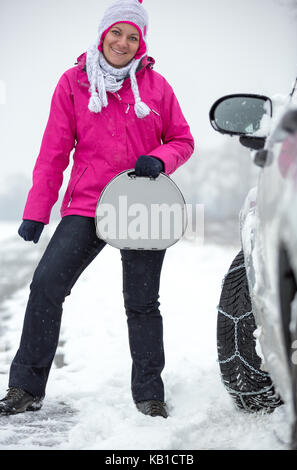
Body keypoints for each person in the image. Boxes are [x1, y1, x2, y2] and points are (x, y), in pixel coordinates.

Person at [0, 0, 194, 418]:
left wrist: (159, 159)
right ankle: (25, 389)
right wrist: (38, 210)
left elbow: (182, 140)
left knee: (142, 303)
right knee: (46, 285)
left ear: (141, 43)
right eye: (117, 33)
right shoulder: (74, 83)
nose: (123, 43)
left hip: (142, 205)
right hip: (87, 203)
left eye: (133, 37)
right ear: (103, 34)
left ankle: (149, 395)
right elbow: (54, 151)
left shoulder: (157, 86)